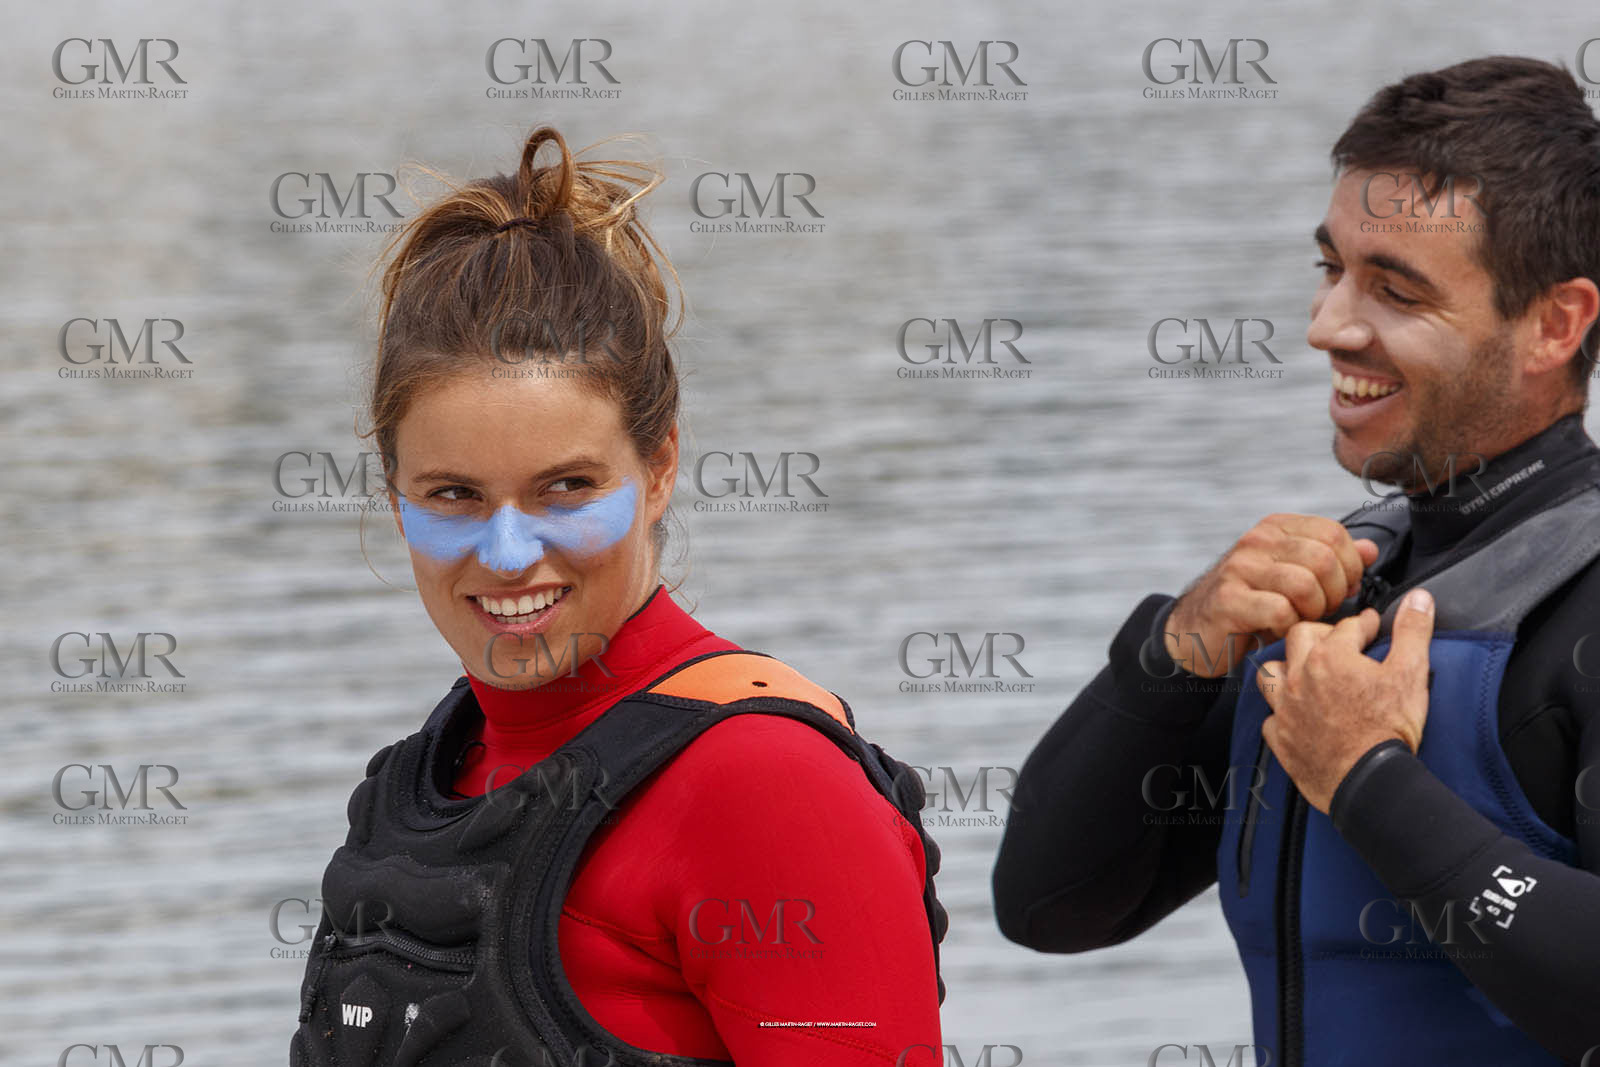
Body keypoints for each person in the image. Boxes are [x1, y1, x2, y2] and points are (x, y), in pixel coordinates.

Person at [290, 125, 947, 1066]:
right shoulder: (425, 779)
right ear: (397, 502)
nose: (509, 552)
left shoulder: (768, 790)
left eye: (566, 487)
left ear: (661, 465)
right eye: (454, 495)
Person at [993, 57, 1600, 1065]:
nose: (1328, 327)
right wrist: (1168, 654)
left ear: (1554, 323)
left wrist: (1367, 782)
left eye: (1393, 289)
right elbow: (1050, 906)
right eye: (1331, 270)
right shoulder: (1329, 599)